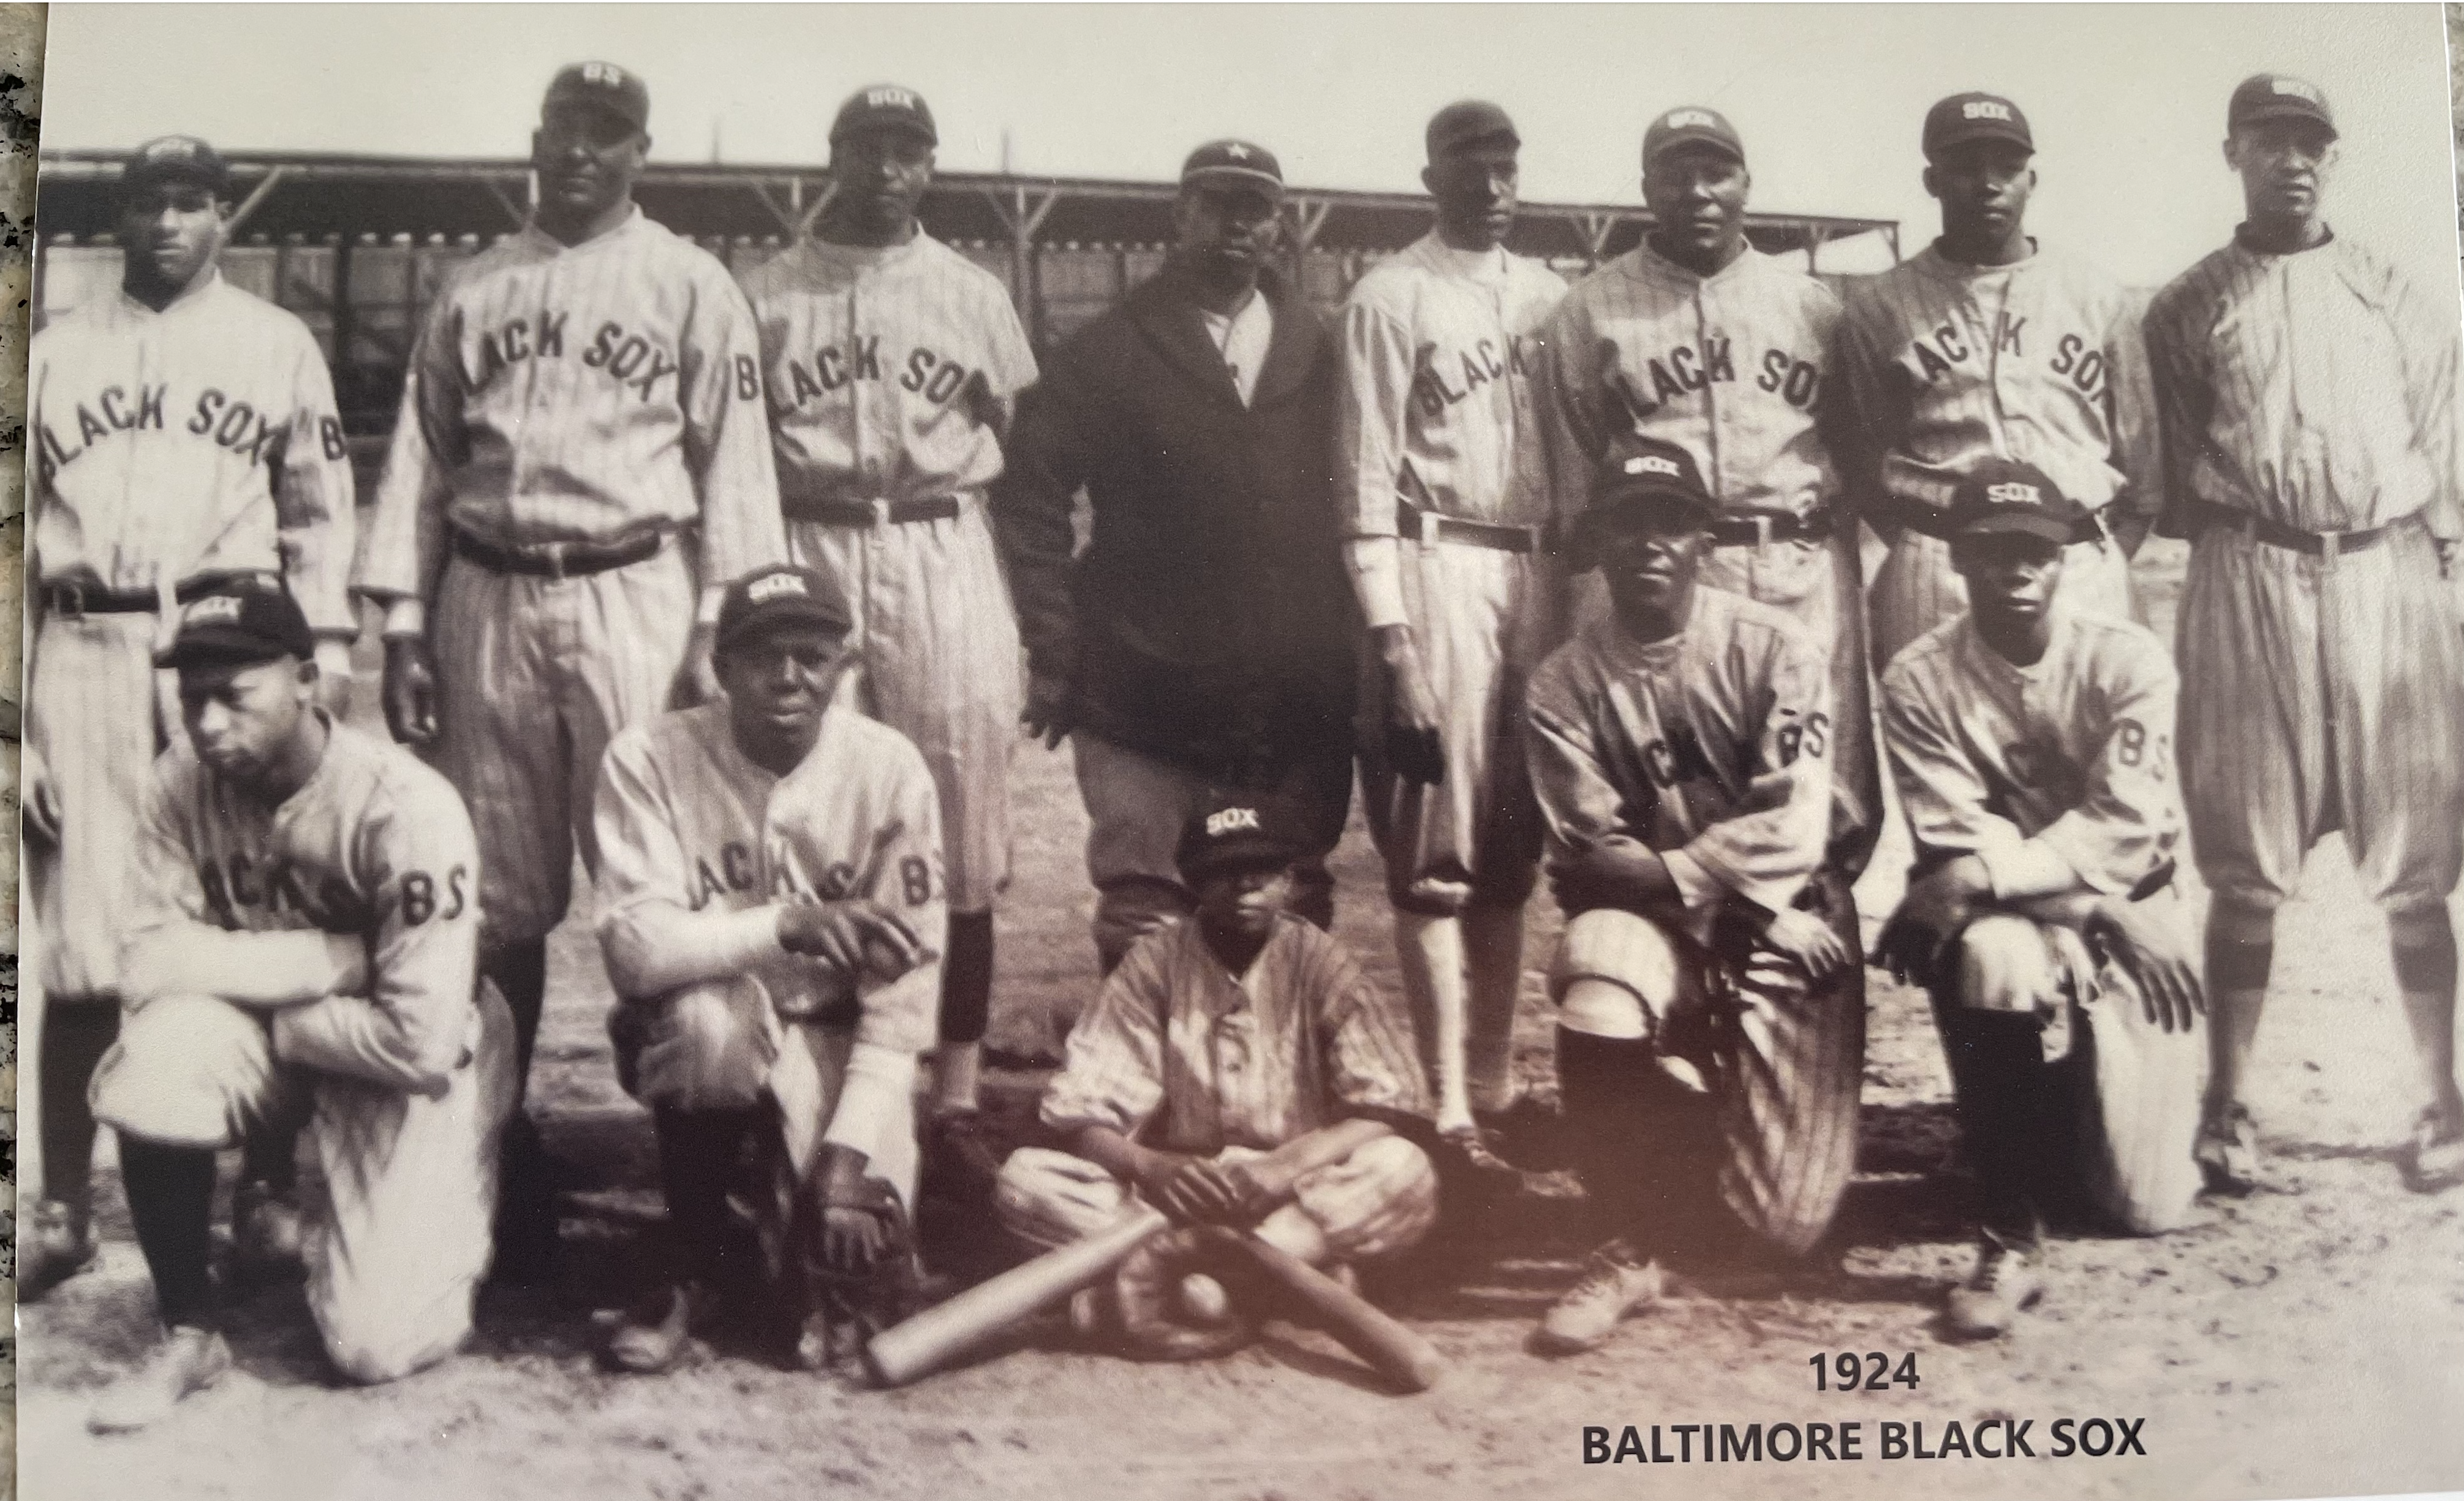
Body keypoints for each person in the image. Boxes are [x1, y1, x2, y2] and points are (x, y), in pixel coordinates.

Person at [354, 61, 787, 1267]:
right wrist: (400, 624)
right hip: (485, 590)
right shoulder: (473, 285)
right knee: (496, 894)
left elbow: (737, 469)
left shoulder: (692, 284)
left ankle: (703, 1168)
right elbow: (420, 467)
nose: (585, 150)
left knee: (661, 884)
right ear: (536, 140)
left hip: (633, 584)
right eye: (567, 128)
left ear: (642, 151)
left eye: (611, 132)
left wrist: (721, 625)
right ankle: (500, 1147)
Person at [18, 134, 358, 1299]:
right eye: (149, 203)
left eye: (192, 202)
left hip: (227, 650)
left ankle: (262, 1190)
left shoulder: (277, 344)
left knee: (245, 911)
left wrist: (324, 664)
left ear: (225, 216)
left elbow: (318, 517)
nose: (169, 222)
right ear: (120, 219)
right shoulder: (53, 351)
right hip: (84, 644)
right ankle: (63, 1206)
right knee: (79, 941)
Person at [83, 583, 513, 1432]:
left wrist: (267, 1009)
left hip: (412, 1055)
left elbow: (416, 1041)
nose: (206, 724)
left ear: (308, 681)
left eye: (234, 696)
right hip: (324, 1023)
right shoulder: (180, 780)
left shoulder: (405, 804)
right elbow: (144, 961)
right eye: (192, 696)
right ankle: (189, 1328)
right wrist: (337, 958)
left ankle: (472, 1171)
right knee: (156, 1060)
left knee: (373, 1344)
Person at [2144, 73, 2464, 1195]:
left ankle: (2441, 1100)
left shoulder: (2399, 294)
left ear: (2334, 159)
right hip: (2246, 568)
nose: (2293, 161)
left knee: (2416, 867)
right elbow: (2170, 466)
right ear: (2230, 151)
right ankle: (2228, 1104)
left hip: (2385, 570)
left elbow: (2442, 455)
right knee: (2242, 862)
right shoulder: (2186, 306)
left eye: (2311, 144)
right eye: (2270, 141)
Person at [742, 85, 1038, 1200]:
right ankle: (803, 1090)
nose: (885, 169)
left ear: (930, 166)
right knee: (813, 822)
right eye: (866, 148)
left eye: (907, 150)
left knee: (959, 831)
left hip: (937, 541)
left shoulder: (970, 290)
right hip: (808, 541)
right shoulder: (764, 292)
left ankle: (953, 1098)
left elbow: (1022, 447)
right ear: (832, 158)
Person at [1522, 434, 1861, 1356]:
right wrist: (1725, 902)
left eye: (1668, 524)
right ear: (1598, 543)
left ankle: (1691, 1104)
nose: (1646, 545)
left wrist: (1730, 901)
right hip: (1684, 925)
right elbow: (1595, 861)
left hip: (1793, 913)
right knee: (1595, 963)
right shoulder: (1560, 683)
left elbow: (1792, 825)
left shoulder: (1774, 645)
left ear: (1702, 540)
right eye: (1625, 526)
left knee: (1781, 1224)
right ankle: (1624, 1240)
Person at [994, 140, 1354, 972]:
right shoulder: (1110, 347)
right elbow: (1029, 495)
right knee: (1145, 905)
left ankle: (1280, 1084)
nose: (1236, 223)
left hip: (1291, 688)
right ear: (1180, 214)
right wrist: (1055, 644)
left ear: (1279, 223)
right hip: (1144, 683)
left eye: (1254, 207)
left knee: (1286, 896)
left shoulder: (1321, 347)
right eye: (1216, 203)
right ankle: (1146, 1088)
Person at [1874, 459, 2205, 1340]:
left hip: (2138, 909)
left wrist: (2005, 881)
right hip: (2061, 916)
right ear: (1954, 558)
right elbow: (1953, 847)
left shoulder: (2126, 658)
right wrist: (2079, 908)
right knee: (1986, 954)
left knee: (2145, 1203)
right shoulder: (1917, 678)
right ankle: (2006, 1233)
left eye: (2033, 552)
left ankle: (2030, 1110)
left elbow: (2124, 828)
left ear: (2063, 559)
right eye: (1991, 552)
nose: (2013, 571)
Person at [1532, 104, 1881, 927]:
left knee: (1817, 807)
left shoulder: (1813, 308)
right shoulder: (1590, 311)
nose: (1696, 191)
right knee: (1681, 798)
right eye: (1675, 173)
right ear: (1646, 187)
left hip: (1797, 565)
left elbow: (1859, 453)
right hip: (1670, 580)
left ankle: (1809, 1031)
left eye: (1714, 171)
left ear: (1745, 184)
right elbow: (1577, 476)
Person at [591, 564, 943, 1374]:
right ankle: (692, 1260)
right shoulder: (648, 756)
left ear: (842, 667)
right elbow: (636, 952)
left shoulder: (891, 771)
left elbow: (903, 1002)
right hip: (708, 1021)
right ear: (720, 666)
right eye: (762, 655)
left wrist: (845, 1160)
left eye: (811, 655)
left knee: (840, 1289)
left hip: (839, 1036)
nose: (788, 676)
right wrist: (788, 923)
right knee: (707, 1019)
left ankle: (779, 1211)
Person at [992, 792, 1438, 1357]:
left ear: (1289, 882)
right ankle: (1273, 1286)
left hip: (1293, 1197)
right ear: (1194, 884)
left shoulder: (1319, 960)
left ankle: (1164, 1287)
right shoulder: (1154, 962)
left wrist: (1287, 1166)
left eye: (1261, 871)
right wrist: (1154, 1167)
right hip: (1173, 1199)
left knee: (1403, 1169)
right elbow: (1083, 1112)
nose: (1245, 887)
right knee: (1026, 1181)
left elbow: (1390, 1102)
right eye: (1224, 872)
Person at [1335, 101, 1567, 1164]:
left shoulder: (1552, 297)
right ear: (1429, 175)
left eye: (1504, 162)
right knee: (1438, 843)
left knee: (1516, 842)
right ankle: (1446, 1106)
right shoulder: (1389, 295)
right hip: (1436, 561)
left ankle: (1495, 1082)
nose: (1489, 182)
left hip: (1540, 566)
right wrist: (1391, 640)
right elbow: (1361, 481)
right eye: (1468, 164)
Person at [1837, 91, 2159, 668]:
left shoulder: (2096, 295)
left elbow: (2144, 472)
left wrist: (2096, 556)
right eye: (1965, 167)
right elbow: (1862, 460)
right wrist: (1922, 546)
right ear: (1932, 180)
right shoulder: (1880, 306)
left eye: (2007, 168)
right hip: (1940, 562)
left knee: (2092, 748)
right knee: (1940, 751)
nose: (1988, 184)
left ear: (2031, 180)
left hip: (2075, 557)